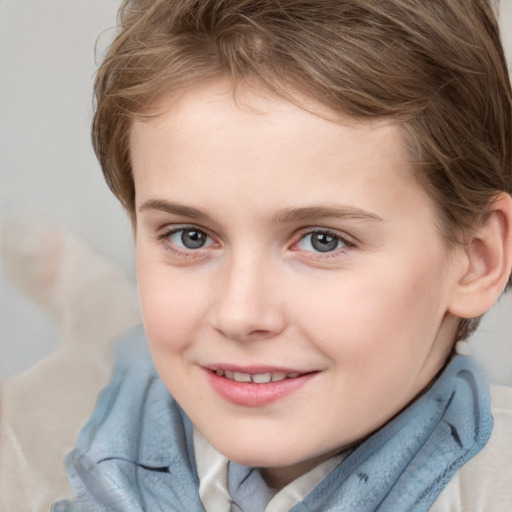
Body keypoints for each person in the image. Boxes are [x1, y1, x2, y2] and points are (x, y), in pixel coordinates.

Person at [53, 0, 512, 510]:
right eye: (190, 236)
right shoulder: (42, 461)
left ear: (477, 259)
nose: (240, 314)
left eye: (323, 241)